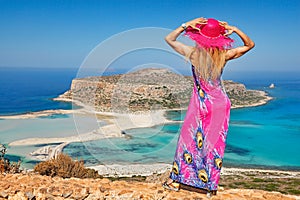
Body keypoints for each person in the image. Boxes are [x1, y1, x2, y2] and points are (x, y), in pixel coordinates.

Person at [163, 17, 255, 195]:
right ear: (220, 38)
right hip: (220, 104)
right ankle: (209, 187)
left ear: (200, 37)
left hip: (202, 103)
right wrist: (234, 28)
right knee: (214, 144)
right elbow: (250, 45)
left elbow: (169, 39)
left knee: (188, 140)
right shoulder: (224, 56)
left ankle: (176, 181)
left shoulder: (193, 54)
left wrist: (185, 25)